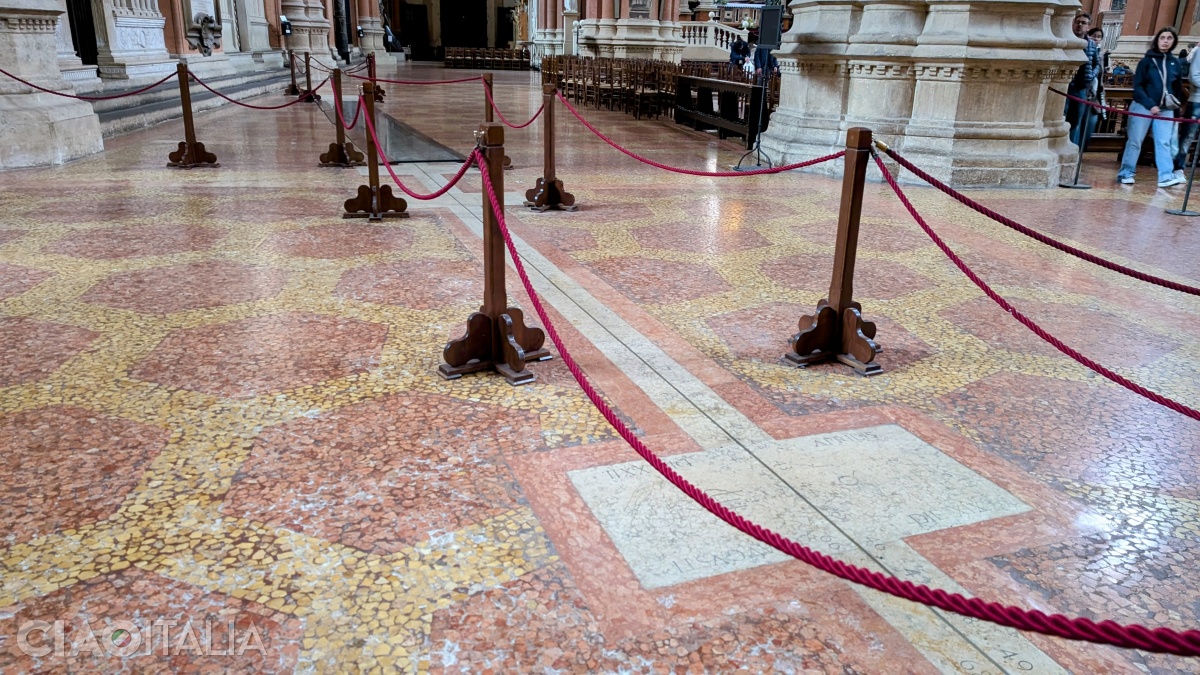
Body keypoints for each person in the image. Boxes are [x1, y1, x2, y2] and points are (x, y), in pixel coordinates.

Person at [1117, 27, 1186, 187]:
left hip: (1165, 109)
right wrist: (1150, 105)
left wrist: (1176, 113)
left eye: (1169, 38)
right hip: (1143, 106)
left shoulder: (1174, 62)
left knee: (1164, 142)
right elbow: (1138, 87)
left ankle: (1165, 176)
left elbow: (1177, 89)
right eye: (1163, 37)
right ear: (1157, 40)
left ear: (1173, 41)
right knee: (1135, 141)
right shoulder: (1146, 61)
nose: (1166, 41)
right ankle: (1126, 173)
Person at [1065, 13, 1102, 147]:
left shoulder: (1091, 44)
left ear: (1088, 26)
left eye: (1084, 23)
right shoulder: (1066, 40)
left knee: (1075, 120)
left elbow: (1097, 64)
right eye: (1078, 22)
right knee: (1062, 119)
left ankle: (1071, 149)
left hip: (1081, 87)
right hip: (1066, 86)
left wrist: (1091, 75)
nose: (1080, 25)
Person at [1174, 44, 1200, 176]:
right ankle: (1178, 167)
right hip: (1197, 101)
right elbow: (1194, 77)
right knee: (1187, 137)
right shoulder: (1198, 52)